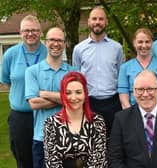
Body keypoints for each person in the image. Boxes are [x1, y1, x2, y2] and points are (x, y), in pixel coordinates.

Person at [25, 27, 78, 168]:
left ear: (65, 43)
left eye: (59, 40)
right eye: (52, 40)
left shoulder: (74, 72)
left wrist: (44, 93)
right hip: (42, 138)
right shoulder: (32, 72)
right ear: (46, 42)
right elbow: (34, 104)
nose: (56, 43)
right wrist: (64, 98)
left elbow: (76, 102)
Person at [1, 15, 47, 168]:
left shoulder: (49, 53)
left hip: (45, 115)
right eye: (26, 30)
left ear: (40, 32)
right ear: (20, 33)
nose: (30, 33)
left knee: (47, 159)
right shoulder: (10, 54)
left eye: (34, 30)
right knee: (23, 160)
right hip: (20, 118)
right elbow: (6, 80)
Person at [72, 6, 123, 137]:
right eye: (94, 19)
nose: (97, 22)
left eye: (101, 19)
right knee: (91, 143)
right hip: (90, 102)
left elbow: (120, 75)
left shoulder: (117, 48)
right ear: (89, 22)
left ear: (106, 22)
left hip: (113, 102)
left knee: (114, 142)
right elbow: (76, 79)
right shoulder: (78, 49)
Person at [43, 71, 107, 168]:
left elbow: (99, 160)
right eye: (68, 93)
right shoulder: (51, 123)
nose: (73, 97)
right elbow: (52, 161)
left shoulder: (97, 122)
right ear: (62, 95)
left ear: (85, 94)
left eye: (78, 92)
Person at [108, 70, 157, 168]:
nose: (145, 94)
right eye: (140, 89)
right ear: (134, 92)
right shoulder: (121, 119)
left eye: (150, 89)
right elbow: (114, 159)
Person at [118, 28, 157, 109]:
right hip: (134, 114)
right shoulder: (125, 68)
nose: (144, 45)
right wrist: (132, 117)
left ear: (152, 43)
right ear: (134, 43)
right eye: (140, 42)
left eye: (147, 42)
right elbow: (124, 99)